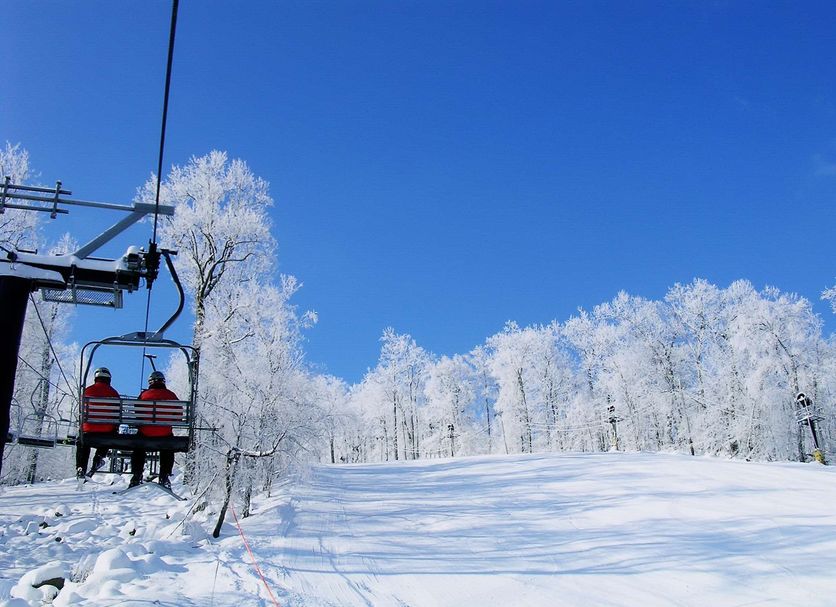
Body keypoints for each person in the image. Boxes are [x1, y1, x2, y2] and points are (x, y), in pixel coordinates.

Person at [129, 370, 182, 489]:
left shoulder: (144, 395)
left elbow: (137, 414)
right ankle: (164, 476)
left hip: (145, 434)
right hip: (164, 434)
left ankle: (137, 475)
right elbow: (178, 416)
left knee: (138, 446)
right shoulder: (171, 395)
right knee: (168, 446)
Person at [76, 367, 118, 479]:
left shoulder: (87, 391)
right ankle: (99, 458)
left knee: (82, 441)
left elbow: (82, 411)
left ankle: (81, 466)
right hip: (106, 433)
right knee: (110, 432)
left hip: (88, 430)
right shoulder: (114, 393)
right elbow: (117, 414)